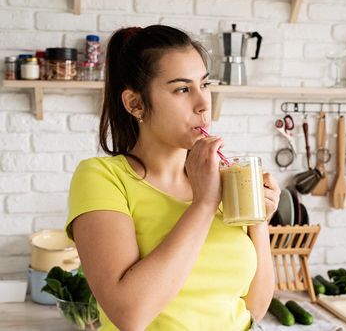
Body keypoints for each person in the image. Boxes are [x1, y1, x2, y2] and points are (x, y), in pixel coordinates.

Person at [66, 25, 280, 331]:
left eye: (204, 84)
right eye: (182, 89)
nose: (204, 103)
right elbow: (129, 314)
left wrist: (259, 219)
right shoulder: (102, 178)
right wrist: (204, 204)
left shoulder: (226, 180)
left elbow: (254, 309)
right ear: (135, 104)